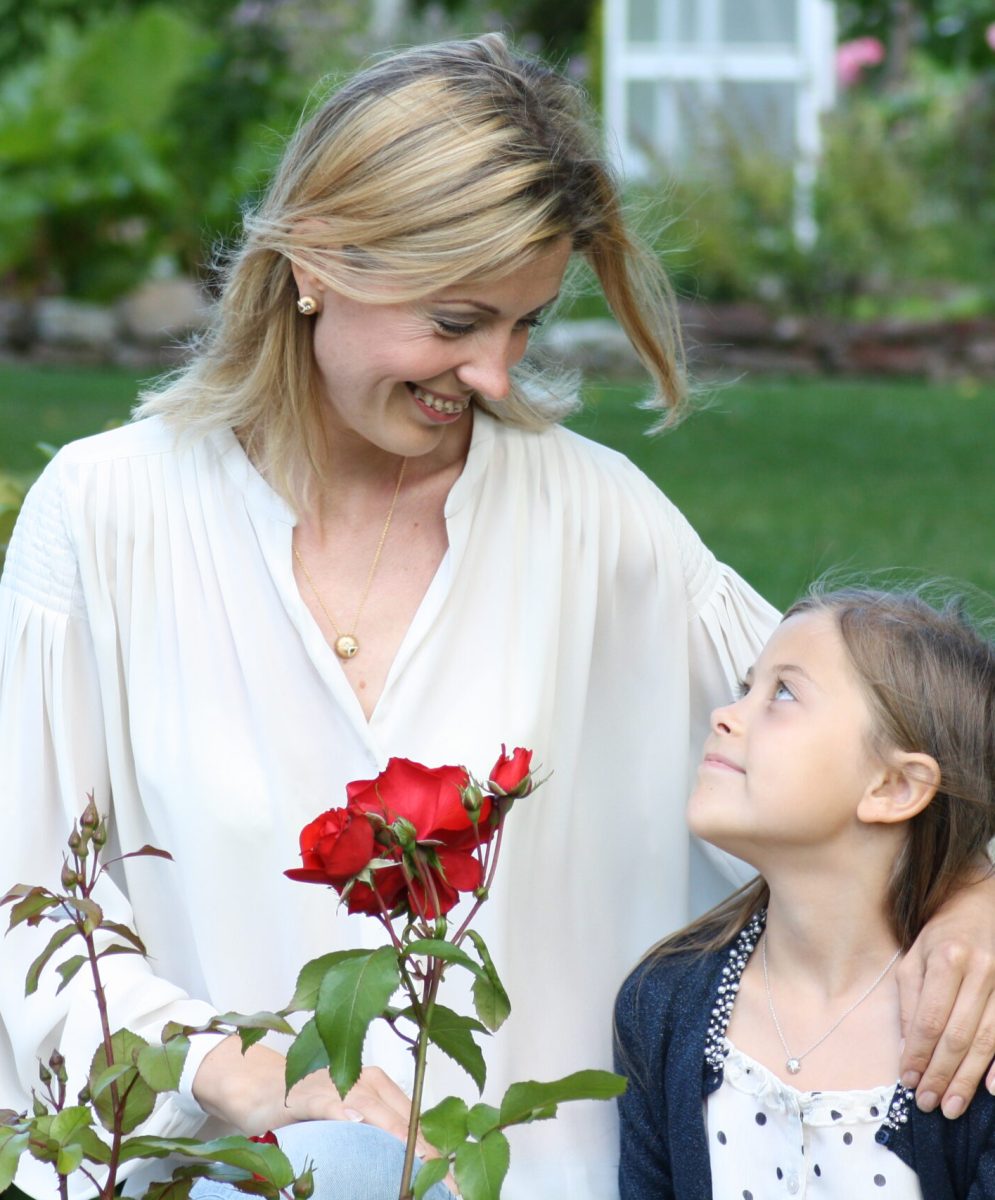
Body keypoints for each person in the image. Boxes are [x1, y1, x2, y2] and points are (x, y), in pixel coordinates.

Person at [1, 31, 994, 1200]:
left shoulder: (597, 523)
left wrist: (977, 893)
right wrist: (224, 1062)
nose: (492, 374)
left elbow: (873, 750)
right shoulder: (110, 515)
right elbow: (23, 911)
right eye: (456, 320)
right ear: (315, 259)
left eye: (523, 325)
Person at [614, 586, 995, 1198]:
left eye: (783, 693)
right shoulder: (661, 1002)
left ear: (895, 786)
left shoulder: (969, 1035)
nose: (724, 714)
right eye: (746, 687)